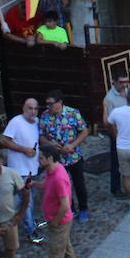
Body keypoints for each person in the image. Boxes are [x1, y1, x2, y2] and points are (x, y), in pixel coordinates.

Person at [35, 142, 77, 258]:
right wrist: (35, 185)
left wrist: (55, 220)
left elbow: (65, 204)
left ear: (49, 158)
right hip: (59, 220)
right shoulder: (51, 171)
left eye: (41, 158)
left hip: (59, 221)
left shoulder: (59, 177)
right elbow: (47, 185)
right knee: (66, 248)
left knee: (55, 257)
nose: (39, 161)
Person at [38, 89, 90, 222]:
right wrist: (51, 145)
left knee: (79, 184)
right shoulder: (44, 116)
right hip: (57, 160)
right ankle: (70, 209)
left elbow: (84, 131)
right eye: (47, 104)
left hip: (73, 156)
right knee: (63, 186)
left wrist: (73, 145)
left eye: (51, 104)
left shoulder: (73, 113)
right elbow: (41, 136)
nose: (48, 107)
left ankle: (83, 208)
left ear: (60, 102)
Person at [0, 98, 42, 242]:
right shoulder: (16, 122)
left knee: (31, 197)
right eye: (30, 108)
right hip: (20, 170)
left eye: (35, 109)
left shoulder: (36, 122)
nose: (33, 112)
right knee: (26, 200)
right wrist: (23, 149)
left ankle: (25, 220)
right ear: (23, 108)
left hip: (33, 168)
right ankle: (30, 230)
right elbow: (3, 140)